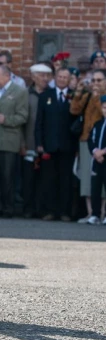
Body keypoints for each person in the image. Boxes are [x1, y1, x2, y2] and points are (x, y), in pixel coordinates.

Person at [0, 65, 29, 218]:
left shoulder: (19, 92)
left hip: (9, 141)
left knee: (7, 176)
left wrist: (8, 120)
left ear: (7, 76)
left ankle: (8, 208)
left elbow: (23, 116)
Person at [35, 68, 75, 221]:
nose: (62, 79)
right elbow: (39, 122)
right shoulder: (45, 96)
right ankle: (49, 211)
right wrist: (39, 142)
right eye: (60, 76)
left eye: (65, 77)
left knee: (65, 180)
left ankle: (65, 212)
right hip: (49, 145)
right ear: (55, 77)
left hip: (67, 146)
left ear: (69, 79)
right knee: (48, 179)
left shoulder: (73, 96)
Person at [71, 69, 106, 224]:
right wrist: (78, 92)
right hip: (87, 140)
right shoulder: (88, 96)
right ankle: (91, 213)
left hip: (102, 142)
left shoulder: (101, 99)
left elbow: (102, 113)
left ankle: (103, 213)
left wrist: (98, 98)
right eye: (93, 81)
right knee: (88, 178)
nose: (95, 84)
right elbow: (74, 110)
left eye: (99, 80)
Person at [22, 63, 52, 219]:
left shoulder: (51, 94)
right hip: (29, 142)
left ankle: (42, 209)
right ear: (33, 76)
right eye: (41, 75)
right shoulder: (25, 94)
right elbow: (21, 121)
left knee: (44, 180)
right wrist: (22, 144)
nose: (45, 79)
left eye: (47, 75)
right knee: (28, 179)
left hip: (46, 145)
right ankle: (27, 209)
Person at [87, 95, 106, 225]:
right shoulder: (98, 124)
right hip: (97, 161)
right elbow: (91, 140)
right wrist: (95, 152)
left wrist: (102, 152)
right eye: (104, 107)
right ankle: (95, 214)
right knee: (95, 188)